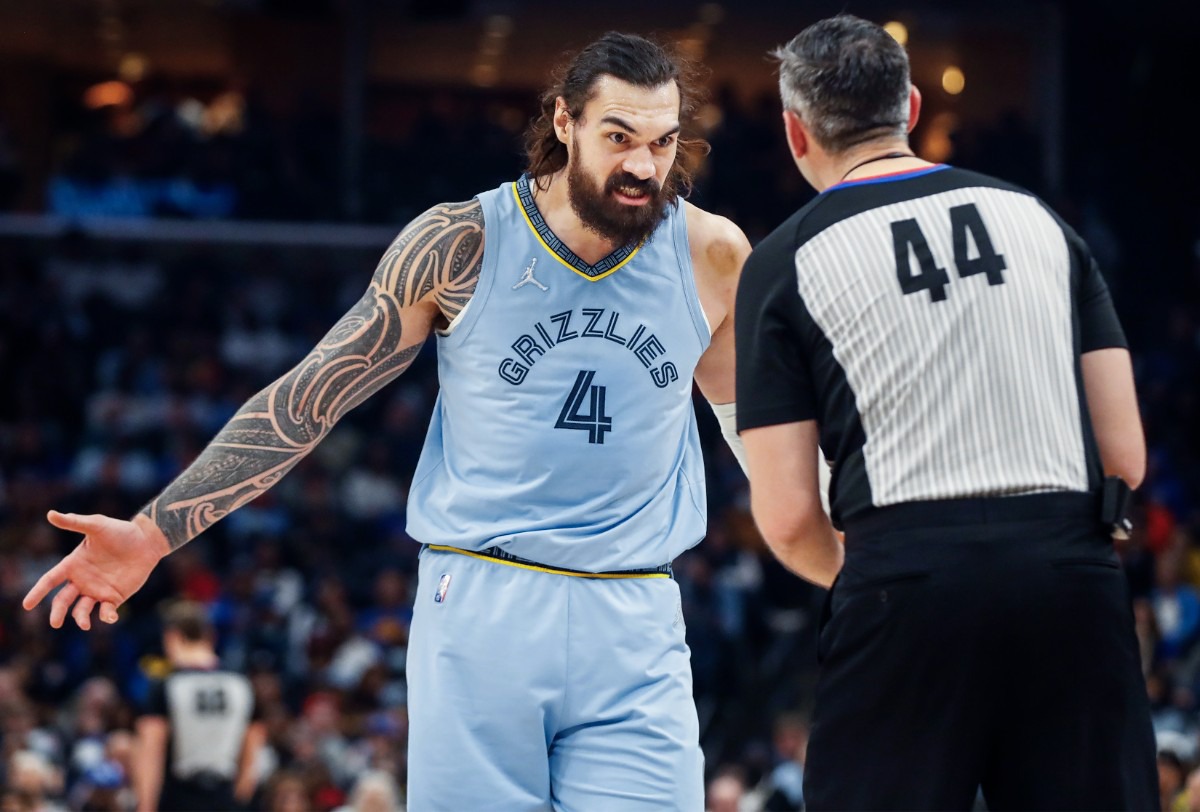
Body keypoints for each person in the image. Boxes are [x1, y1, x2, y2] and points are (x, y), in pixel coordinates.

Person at [23, 32, 752, 809]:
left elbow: (759, 432)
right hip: (482, 601)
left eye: (663, 141)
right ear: (565, 123)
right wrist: (155, 531)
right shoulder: (460, 243)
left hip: (635, 608)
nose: (644, 165)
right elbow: (312, 397)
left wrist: (857, 544)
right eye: (619, 137)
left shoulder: (711, 254)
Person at [734, 13, 1157, 811]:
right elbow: (1125, 457)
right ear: (913, 110)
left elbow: (789, 517)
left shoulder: (783, 261)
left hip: (905, 581)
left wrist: (882, 582)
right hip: (1070, 574)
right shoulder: (1043, 221)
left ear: (795, 133)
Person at [133, 600, 265, 811]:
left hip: (178, 795)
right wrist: (241, 795)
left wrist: (145, 805)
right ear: (210, 636)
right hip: (225, 795)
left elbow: (150, 751)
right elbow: (254, 746)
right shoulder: (241, 684)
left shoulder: (166, 686)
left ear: (172, 637)